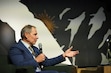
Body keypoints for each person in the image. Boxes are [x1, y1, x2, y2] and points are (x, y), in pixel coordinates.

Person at [9, 25, 79, 73]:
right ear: (27, 35)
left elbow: (47, 62)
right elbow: (19, 66)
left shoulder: (35, 49)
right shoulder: (16, 48)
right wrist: (36, 60)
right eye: (35, 34)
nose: (37, 37)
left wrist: (64, 55)